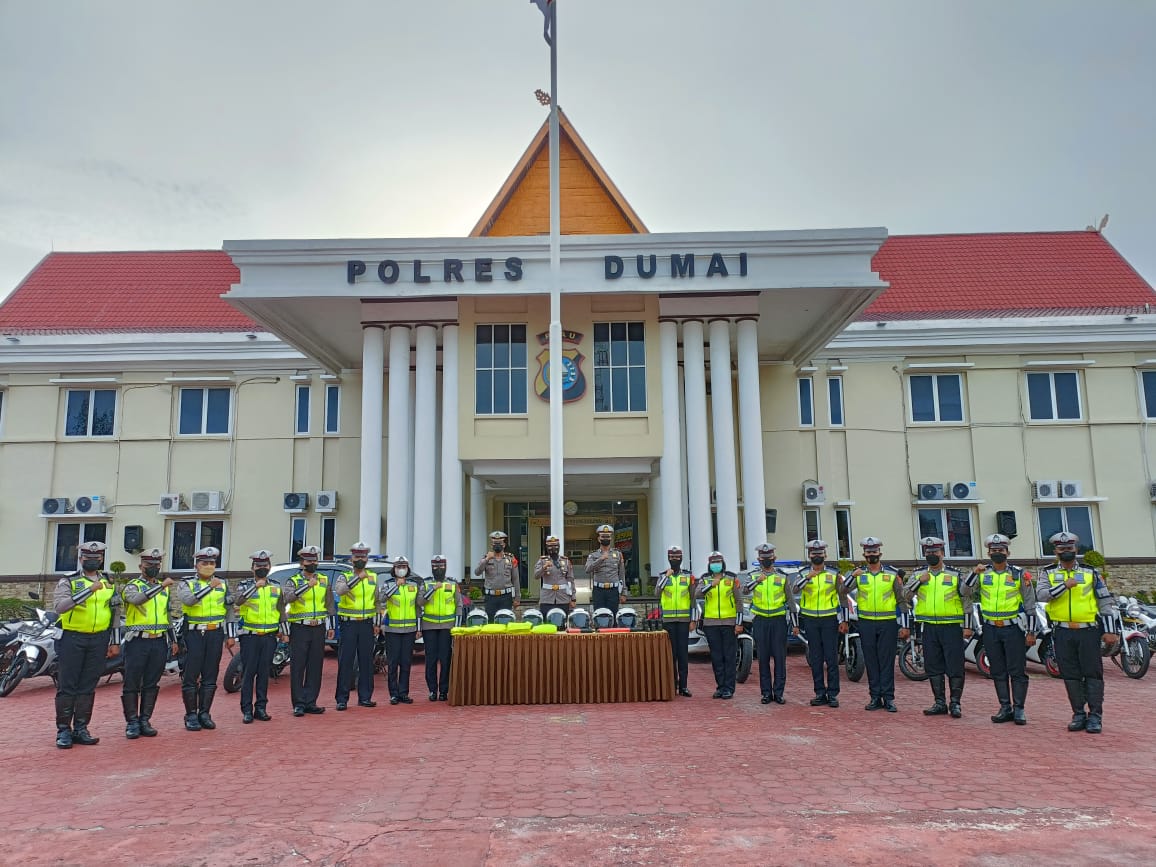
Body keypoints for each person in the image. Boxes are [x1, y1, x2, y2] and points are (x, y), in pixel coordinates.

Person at [1036, 531, 1120, 734]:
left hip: (1088, 631)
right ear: (1055, 551)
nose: (1066, 551)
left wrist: (1110, 630)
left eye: (1069, 548)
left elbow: (1105, 601)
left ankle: (1095, 717)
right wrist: (1063, 586)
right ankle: (1078, 714)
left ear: (1076, 549)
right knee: (1070, 675)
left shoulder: (1091, 572)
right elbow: (1042, 595)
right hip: (1063, 631)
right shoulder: (1047, 573)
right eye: (1061, 548)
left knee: (1092, 673)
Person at [52, 540, 121, 749]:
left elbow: (115, 612)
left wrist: (115, 641)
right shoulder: (68, 581)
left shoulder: (109, 582)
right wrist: (89, 590)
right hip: (72, 638)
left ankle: (81, 728)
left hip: (98, 639)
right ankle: (64, 730)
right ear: (80, 559)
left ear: (101, 559)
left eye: (97, 558)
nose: (93, 561)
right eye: (88, 558)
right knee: (68, 686)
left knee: (88, 685)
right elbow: (60, 607)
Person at [963, 533, 1037, 725]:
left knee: (1017, 670)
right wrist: (973, 573)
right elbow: (964, 591)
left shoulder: (1019, 574)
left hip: (1012, 628)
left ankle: (1019, 709)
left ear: (1008, 552)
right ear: (989, 553)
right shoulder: (983, 573)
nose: (997, 553)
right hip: (990, 629)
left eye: (1001, 550)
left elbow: (1030, 603)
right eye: (994, 551)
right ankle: (1005, 707)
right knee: (997, 669)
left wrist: (1031, 632)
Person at [903, 536, 973, 718]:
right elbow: (905, 595)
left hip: (951, 627)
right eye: (928, 552)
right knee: (933, 666)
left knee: (955, 666)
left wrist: (967, 626)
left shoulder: (955, 574)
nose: (931, 555)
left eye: (935, 552)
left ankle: (955, 703)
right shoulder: (919, 574)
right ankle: (939, 702)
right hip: (929, 627)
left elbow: (967, 600)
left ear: (942, 553)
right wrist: (920, 582)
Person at [843, 537, 908, 713]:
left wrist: (905, 625)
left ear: (880, 553)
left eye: (874, 552)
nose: (872, 555)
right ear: (864, 554)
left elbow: (902, 601)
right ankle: (874, 697)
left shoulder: (892, 574)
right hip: (866, 623)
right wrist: (852, 578)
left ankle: (888, 698)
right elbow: (842, 591)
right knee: (871, 660)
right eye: (868, 552)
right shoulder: (859, 574)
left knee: (886, 661)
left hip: (887, 622)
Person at [174, 546, 234, 731]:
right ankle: (191, 715)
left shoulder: (223, 583)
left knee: (211, 674)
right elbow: (188, 601)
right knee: (191, 674)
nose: (208, 566)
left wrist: (230, 635)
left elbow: (229, 610)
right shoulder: (186, 583)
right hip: (193, 633)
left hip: (215, 633)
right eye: (204, 563)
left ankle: (205, 713)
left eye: (212, 563)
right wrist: (209, 587)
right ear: (196, 565)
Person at [120, 548, 176, 739]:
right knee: (132, 682)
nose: (153, 568)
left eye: (156, 565)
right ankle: (132, 722)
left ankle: (145, 719)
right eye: (149, 565)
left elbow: (167, 616)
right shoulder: (132, 586)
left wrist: (173, 639)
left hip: (158, 641)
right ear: (140, 566)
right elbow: (136, 600)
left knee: (152, 682)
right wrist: (160, 587)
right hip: (137, 641)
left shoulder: (164, 589)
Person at [792, 539, 846, 708]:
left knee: (831, 658)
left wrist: (844, 619)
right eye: (814, 554)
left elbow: (843, 597)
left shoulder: (833, 573)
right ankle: (819, 692)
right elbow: (795, 590)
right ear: (809, 556)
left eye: (819, 553)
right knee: (816, 659)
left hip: (829, 619)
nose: (817, 556)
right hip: (810, 620)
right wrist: (808, 577)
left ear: (825, 555)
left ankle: (832, 694)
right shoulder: (802, 574)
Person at [282, 544, 334, 717]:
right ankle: (298, 703)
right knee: (298, 666)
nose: (312, 563)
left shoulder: (324, 580)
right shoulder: (293, 580)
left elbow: (329, 605)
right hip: (300, 627)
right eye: (308, 560)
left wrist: (331, 625)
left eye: (314, 560)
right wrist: (307, 586)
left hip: (318, 627)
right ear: (302, 562)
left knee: (315, 665)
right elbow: (288, 597)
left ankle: (311, 701)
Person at [235, 550, 284, 724]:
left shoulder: (276, 586)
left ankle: (261, 708)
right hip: (250, 636)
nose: (262, 568)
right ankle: (246, 710)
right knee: (249, 673)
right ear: (252, 568)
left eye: (265, 566)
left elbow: (280, 610)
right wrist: (255, 587)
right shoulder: (244, 584)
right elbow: (238, 601)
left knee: (264, 673)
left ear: (269, 567)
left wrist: (283, 631)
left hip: (269, 636)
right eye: (258, 566)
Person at [744, 542, 796, 705]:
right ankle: (766, 693)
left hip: (778, 621)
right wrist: (757, 581)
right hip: (760, 621)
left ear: (774, 558)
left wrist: (795, 624)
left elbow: (790, 601)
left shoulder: (782, 576)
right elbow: (745, 591)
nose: (766, 560)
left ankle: (778, 692)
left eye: (769, 558)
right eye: (763, 558)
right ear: (759, 559)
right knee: (763, 658)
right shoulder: (753, 576)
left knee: (780, 658)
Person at [333, 542, 382, 711]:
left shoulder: (373, 578)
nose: (360, 559)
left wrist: (377, 623)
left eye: (363, 556)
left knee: (366, 662)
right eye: (357, 557)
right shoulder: (344, 576)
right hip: (349, 624)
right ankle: (342, 699)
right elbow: (340, 591)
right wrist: (356, 579)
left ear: (367, 559)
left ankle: (365, 697)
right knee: (346, 661)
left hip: (367, 624)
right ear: (351, 559)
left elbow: (376, 602)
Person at [696, 550, 742, 700]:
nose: (716, 564)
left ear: (722, 563)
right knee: (716, 657)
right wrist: (711, 585)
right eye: (713, 562)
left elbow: (739, 601)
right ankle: (720, 687)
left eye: (718, 561)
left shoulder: (731, 578)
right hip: (711, 623)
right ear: (709, 564)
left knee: (729, 656)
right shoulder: (705, 579)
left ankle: (729, 688)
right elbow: (697, 594)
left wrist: (738, 623)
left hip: (729, 622)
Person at [655, 544, 696, 698]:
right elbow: (657, 592)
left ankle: (683, 686)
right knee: (670, 654)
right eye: (672, 558)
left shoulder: (688, 576)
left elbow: (693, 600)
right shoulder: (663, 575)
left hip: (684, 621)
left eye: (677, 557)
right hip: (669, 621)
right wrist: (667, 576)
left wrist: (693, 620)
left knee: (683, 654)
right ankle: (672, 684)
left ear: (681, 558)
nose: (674, 560)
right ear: (668, 559)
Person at [421, 554, 462, 702]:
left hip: (447, 627)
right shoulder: (425, 583)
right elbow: (420, 602)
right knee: (431, 659)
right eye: (435, 567)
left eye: (441, 566)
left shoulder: (452, 583)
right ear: (432, 567)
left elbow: (459, 605)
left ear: (446, 567)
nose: (438, 569)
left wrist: (456, 628)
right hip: (429, 626)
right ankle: (432, 690)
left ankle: (444, 690)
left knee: (446, 659)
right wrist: (433, 590)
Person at [381, 556, 420, 705]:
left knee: (406, 662)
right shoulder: (388, 584)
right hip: (393, 630)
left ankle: (404, 693)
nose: (401, 569)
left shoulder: (413, 585)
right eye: (399, 566)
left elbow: (417, 607)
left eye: (404, 566)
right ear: (394, 568)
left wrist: (418, 626)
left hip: (409, 629)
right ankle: (393, 693)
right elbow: (382, 599)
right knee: (393, 662)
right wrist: (396, 586)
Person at [475, 531, 520, 621]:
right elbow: (477, 572)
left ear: (504, 545)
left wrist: (517, 598)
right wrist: (487, 559)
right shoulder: (486, 558)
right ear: (492, 545)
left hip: (506, 596)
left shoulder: (510, 559)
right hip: (491, 597)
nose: (497, 545)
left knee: (505, 621)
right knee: (491, 623)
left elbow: (515, 579)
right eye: (495, 543)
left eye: (499, 543)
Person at [585, 524, 626, 617]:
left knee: (613, 616)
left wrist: (624, 592)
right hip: (599, 591)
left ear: (611, 538)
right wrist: (600, 559)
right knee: (599, 616)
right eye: (603, 536)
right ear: (599, 539)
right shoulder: (593, 555)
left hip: (613, 590)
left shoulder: (618, 554)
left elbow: (622, 574)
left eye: (607, 537)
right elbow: (587, 569)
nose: (605, 539)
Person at [535, 535, 575, 619]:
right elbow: (536, 575)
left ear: (559, 546)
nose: (553, 548)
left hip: (563, 597)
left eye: (555, 545)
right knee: (547, 621)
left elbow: (570, 580)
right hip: (547, 598)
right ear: (546, 547)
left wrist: (573, 598)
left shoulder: (565, 561)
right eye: (550, 546)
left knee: (563, 620)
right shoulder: (542, 561)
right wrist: (544, 567)